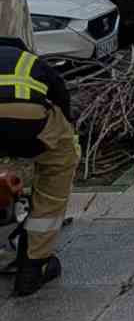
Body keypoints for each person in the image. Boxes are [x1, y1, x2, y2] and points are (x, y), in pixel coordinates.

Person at [0, 35, 79, 297]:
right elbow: (61, 95)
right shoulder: (31, 60)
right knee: (60, 162)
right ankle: (34, 268)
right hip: (29, 122)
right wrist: (66, 125)